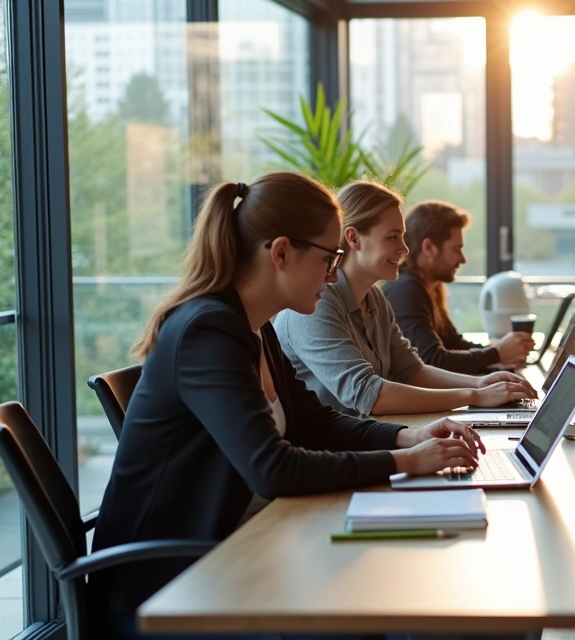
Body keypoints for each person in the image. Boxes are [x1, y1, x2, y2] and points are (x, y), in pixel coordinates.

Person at [88, 173, 484, 639]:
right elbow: (272, 469)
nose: (334, 275)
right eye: (329, 258)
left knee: (408, 592)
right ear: (280, 253)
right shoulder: (206, 331)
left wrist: (408, 436)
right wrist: (406, 461)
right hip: (172, 585)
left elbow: (316, 422)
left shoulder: (256, 327)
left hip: (245, 546)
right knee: (396, 610)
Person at [275, 182, 537, 416]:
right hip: (329, 449)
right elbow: (368, 395)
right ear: (354, 238)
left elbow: (410, 370)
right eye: (393, 237)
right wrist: (475, 396)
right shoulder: (317, 302)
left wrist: (480, 383)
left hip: (363, 439)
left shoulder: (375, 299)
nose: (404, 249)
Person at [382, 200, 535, 374]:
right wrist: (497, 353)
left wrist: (497, 353)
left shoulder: (429, 288)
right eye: (456, 249)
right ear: (428, 247)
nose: (462, 259)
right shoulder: (406, 290)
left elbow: (453, 343)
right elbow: (432, 360)